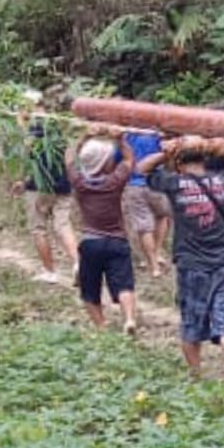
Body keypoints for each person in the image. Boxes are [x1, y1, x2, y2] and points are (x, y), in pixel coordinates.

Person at [137, 136, 224, 381]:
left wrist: (165, 153)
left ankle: (196, 376)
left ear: (179, 164)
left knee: (192, 322)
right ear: (205, 160)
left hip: (191, 263)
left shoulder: (174, 183)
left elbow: (142, 169)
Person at [65, 126, 138, 334]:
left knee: (89, 289)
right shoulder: (114, 182)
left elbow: (69, 157)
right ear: (106, 162)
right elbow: (129, 160)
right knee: (124, 285)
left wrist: (84, 136)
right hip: (117, 241)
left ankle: (101, 326)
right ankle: (129, 318)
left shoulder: (79, 182)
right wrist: (120, 139)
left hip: (90, 242)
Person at [14, 114, 79, 285]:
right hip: (63, 185)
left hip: (39, 187)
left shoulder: (33, 129)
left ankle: (50, 272)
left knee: (39, 229)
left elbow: (27, 155)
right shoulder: (61, 129)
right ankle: (78, 263)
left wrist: (20, 126)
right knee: (63, 225)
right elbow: (69, 160)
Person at [123, 130, 171, 278]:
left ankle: (153, 265)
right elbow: (167, 155)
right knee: (162, 216)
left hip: (134, 185)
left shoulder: (127, 136)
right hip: (156, 182)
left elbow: (120, 158)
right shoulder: (157, 135)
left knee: (144, 226)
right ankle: (157, 253)